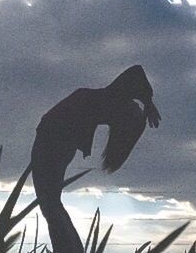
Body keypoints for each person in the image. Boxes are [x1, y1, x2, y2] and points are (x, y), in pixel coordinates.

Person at [31, 65, 161, 252]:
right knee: (51, 204)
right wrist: (148, 101)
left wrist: (147, 102)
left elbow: (136, 74)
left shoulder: (114, 102)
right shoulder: (116, 99)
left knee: (50, 205)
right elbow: (137, 71)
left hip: (52, 140)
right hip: (51, 138)